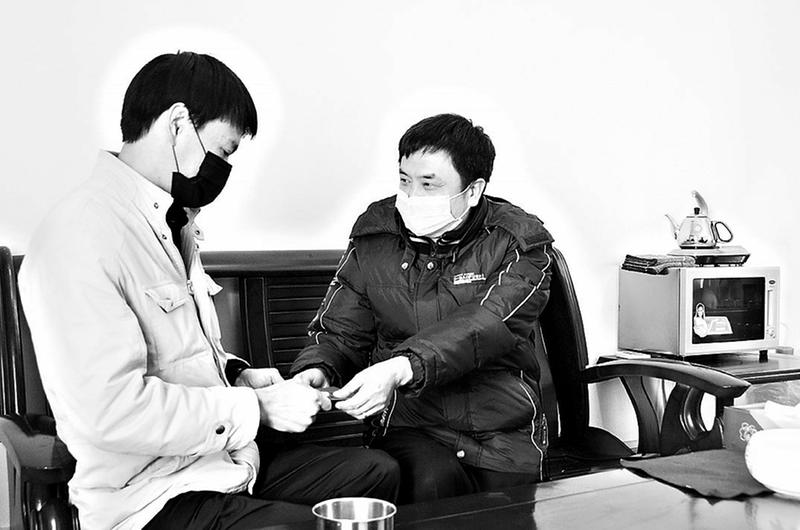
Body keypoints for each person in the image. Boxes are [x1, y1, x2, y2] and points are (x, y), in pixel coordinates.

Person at [18, 51, 398, 530]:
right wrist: (257, 409)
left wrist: (240, 376)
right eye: (223, 150)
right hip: (149, 496)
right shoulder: (80, 235)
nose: (222, 168)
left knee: (377, 474)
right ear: (178, 123)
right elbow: (110, 411)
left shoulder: (169, 224)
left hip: (219, 463)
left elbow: (178, 355)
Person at [291, 113, 553, 503]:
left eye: (429, 184)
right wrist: (316, 369)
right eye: (404, 180)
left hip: (501, 433)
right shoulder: (375, 236)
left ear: (473, 190)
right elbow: (342, 331)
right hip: (410, 424)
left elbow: (487, 323)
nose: (412, 196)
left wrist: (401, 367)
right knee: (433, 483)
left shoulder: (519, 242)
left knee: (504, 514)